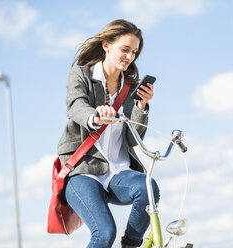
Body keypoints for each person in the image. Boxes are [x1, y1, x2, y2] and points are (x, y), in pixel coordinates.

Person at [57, 19, 160, 248]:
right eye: (125, 49)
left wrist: (141, 107)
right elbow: (75, 106)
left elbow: (133, 139)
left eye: (134, 52)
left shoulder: (131, 87)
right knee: (104, 232)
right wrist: (94, 116)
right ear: (106, 45)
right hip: (83, 170)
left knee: (148, 188)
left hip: (118, 171)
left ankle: (130, 246)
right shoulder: (81, 74)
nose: (130, 57)